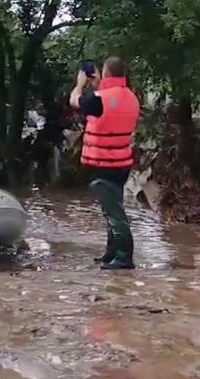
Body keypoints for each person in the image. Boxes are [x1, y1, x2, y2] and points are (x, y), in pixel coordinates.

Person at [69, 56, 140, 270]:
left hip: (103, 164)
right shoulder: (131, 97)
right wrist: (99, 83)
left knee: (114, 213)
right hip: (122, 163)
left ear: (107, 74)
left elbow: (75, 101)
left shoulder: (99, 98)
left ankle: (124, 257)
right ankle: (111, 254)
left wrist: (80, 84)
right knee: (112, 207)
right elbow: (109, 105)